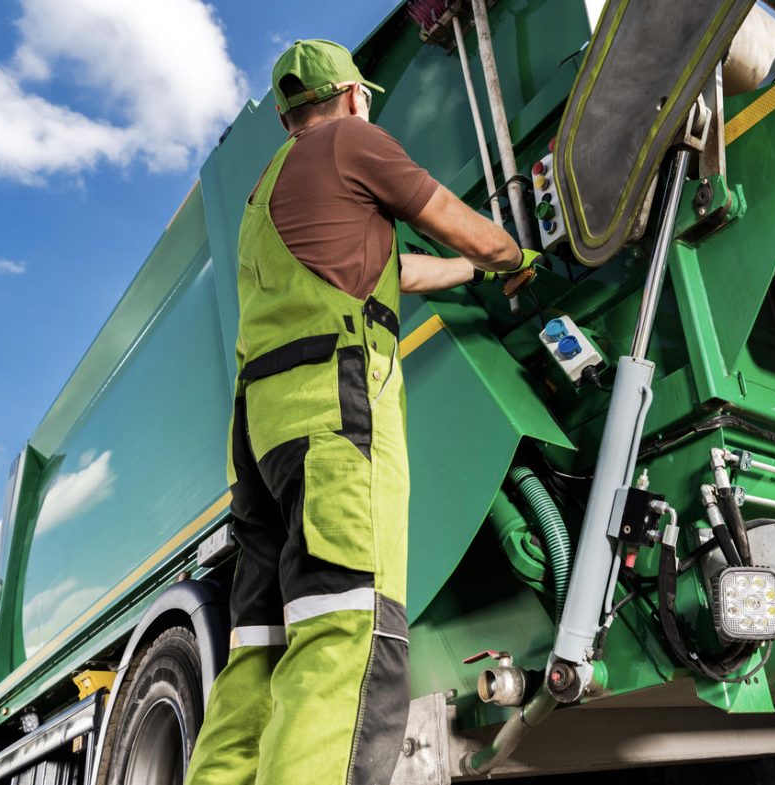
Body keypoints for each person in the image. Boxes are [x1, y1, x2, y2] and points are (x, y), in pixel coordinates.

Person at [185, 39, 538, 785]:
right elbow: (451, 219)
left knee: (261, 653)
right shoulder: (353, 141)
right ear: (349, 94)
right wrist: (514, 256)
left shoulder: (264, 195)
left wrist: (471, 271)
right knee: (348, 632)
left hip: (260, 440)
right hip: (334, 415)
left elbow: (402, 268)